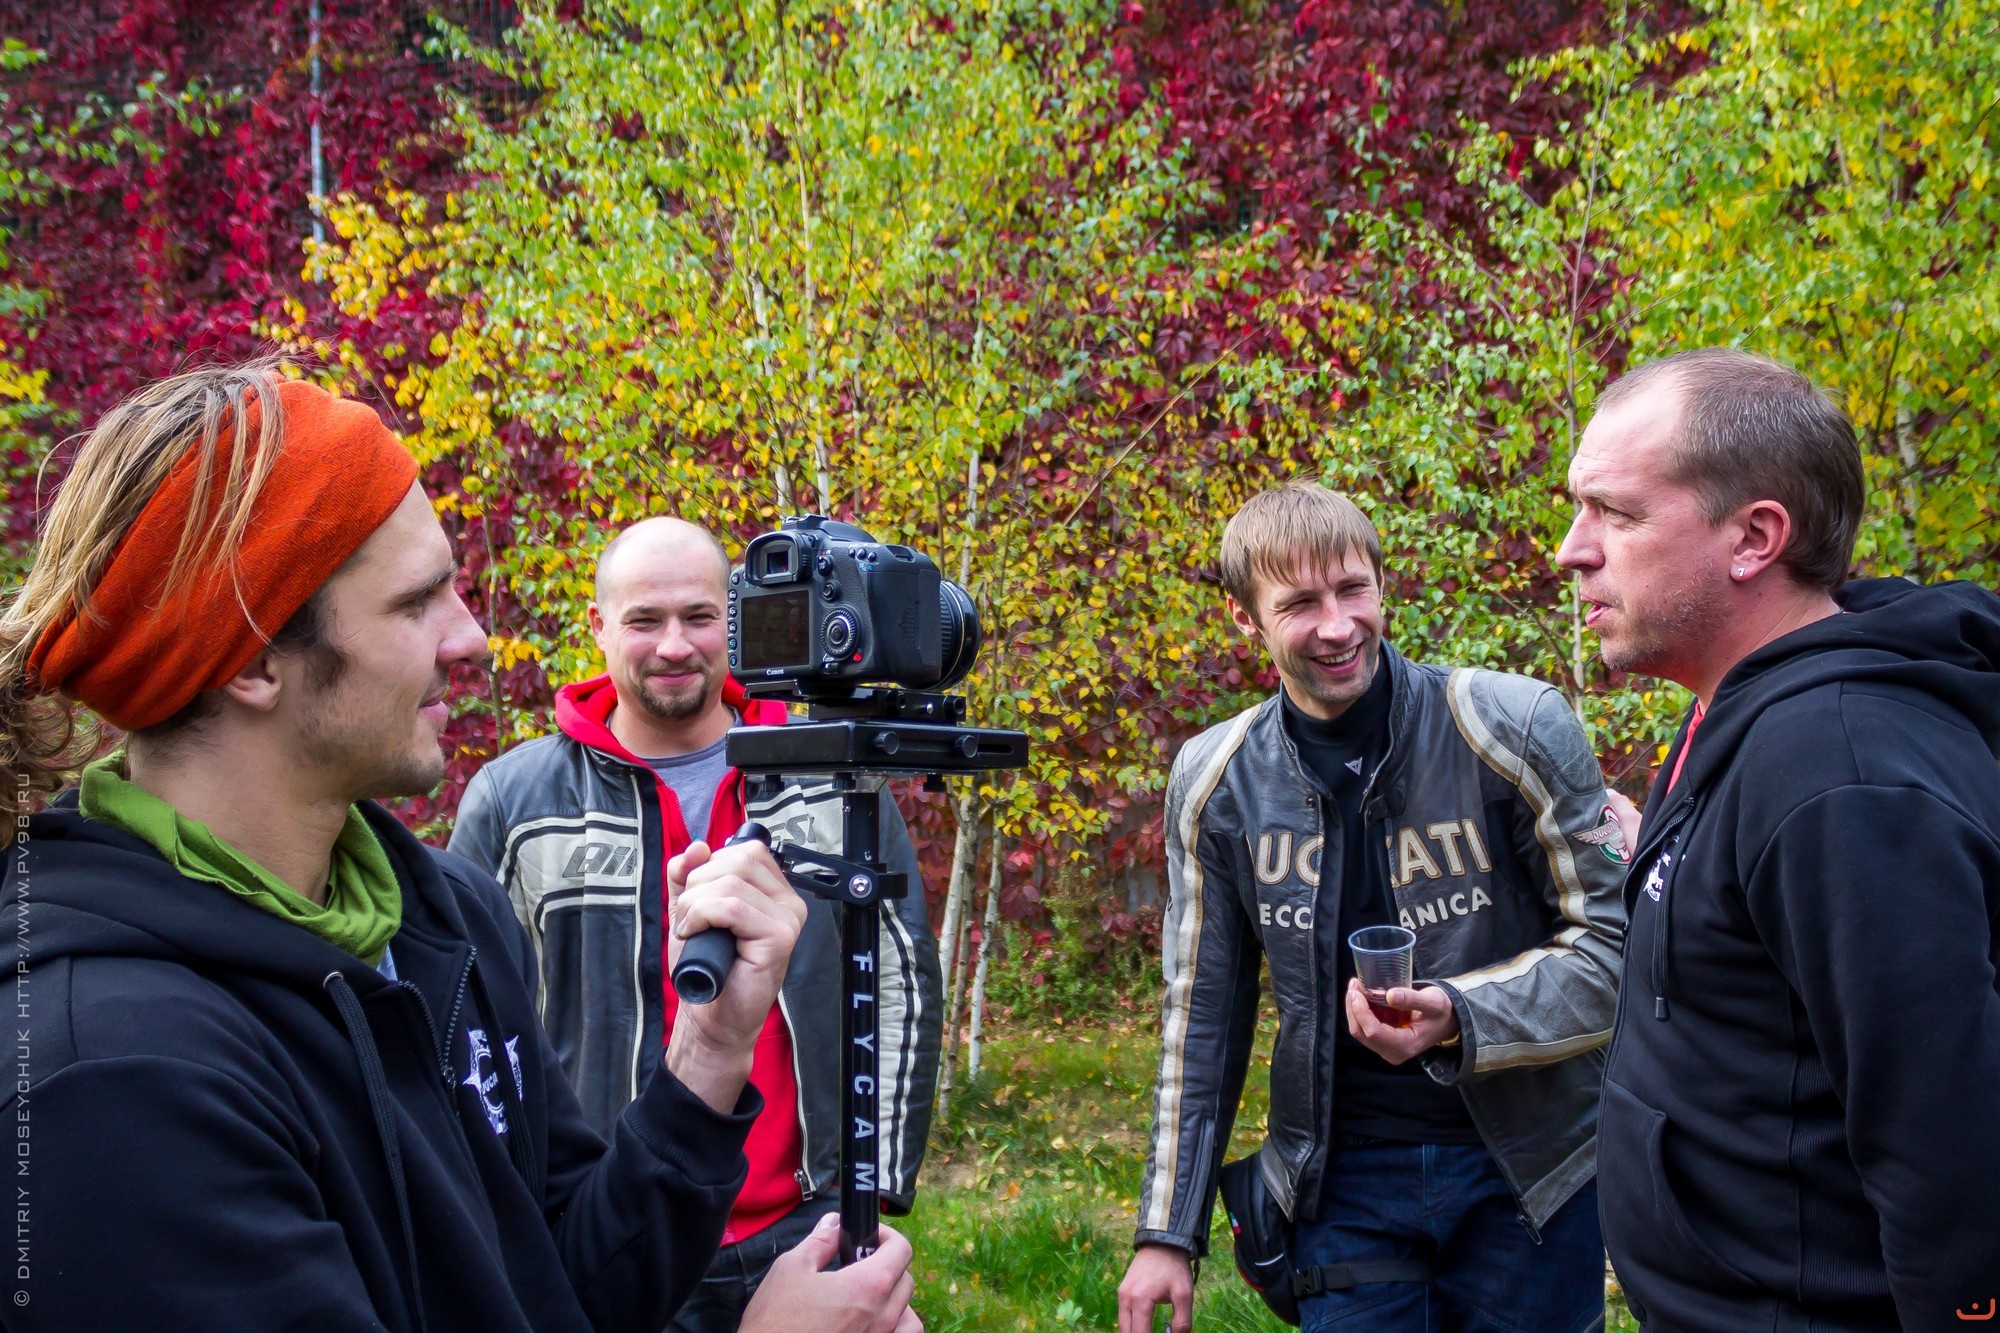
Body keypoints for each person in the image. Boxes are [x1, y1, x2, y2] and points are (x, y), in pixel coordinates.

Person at [0, 364, 921, 1333]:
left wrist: (708, 1052)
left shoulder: (441, 916)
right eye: (417, 602)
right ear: (253, 659)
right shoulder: (109, 1079)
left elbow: (564, 1283)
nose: (472, 638)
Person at [1558, 347, 2000, 1329]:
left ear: (1754, 537)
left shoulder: (1840, 773)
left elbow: (1950, 1153)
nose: (1570, 549)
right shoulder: (1745, 705)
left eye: (1614, 512)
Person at [1118, 482, 1627, 1333]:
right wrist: (1168, 1231)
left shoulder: (1512, 725)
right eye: (1299, 604)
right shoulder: (1216, 782)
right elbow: (1201, 1013)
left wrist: (1461, 1013)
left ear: (1382, 585)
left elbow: (1616, 948)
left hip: (1533, 1174)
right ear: (1246, 617)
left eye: (1353, 589)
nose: (1338, 625)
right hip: (1341, 1183)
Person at [449, 516, 942, 1331]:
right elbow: (466, 1024)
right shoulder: (515, 801)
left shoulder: (830, 776)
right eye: (645, 619)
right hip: (611, 1229)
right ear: (598, 626)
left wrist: (870, 1185)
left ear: (737, 620)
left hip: (804, 1223)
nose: (674, 645)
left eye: (700, 616)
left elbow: (899, 972)